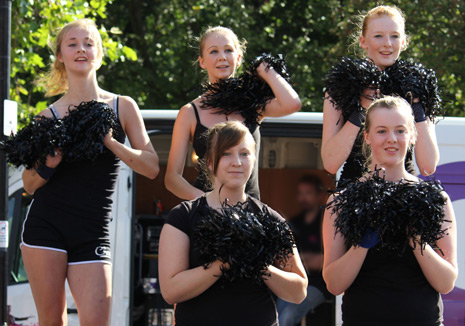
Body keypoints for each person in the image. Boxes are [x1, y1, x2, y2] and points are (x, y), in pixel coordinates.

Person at [20, 19, 159, 326]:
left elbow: (150, 167)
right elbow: (29, 183)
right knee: (52, 321)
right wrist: (49, 164)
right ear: (60, 55)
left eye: (88, 43)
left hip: (93, 230)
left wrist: (111, 142)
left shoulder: (123, 106)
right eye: (72, 44)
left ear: (99, 52)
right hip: (46, 227)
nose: (81, 49)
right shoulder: (47, 116)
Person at [323, 96, 457, 325]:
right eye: (382, 131)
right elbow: (334, 285)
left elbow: (446, 283)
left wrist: (416, 240)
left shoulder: (436, 199)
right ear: (367, 136)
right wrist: (362, 244)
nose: (392, 139)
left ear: (412, 135)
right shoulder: (341, 201)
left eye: (400, 131)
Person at [159, 121, 307, 326]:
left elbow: (299, 291)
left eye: (244, 153)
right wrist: (224, 262)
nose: (237, 162)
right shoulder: (183, 216)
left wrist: (259, 264)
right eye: (227, 153)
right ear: (210, 162)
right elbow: (170, 291)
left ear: (254, 160)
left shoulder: (271, 220)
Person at [165, 26, 301, 200]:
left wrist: (264, 68)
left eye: (228, 50)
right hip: (207, 213)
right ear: (202, 62)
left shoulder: (253, 105)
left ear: (238, 58)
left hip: (248, 213)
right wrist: (210, 203)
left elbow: (293, 104)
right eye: (213, 51)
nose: (222, 56)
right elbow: (172, 179)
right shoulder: (190, 112)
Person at [322, 5, 439, 185]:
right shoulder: (341, 86)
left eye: (395, 36)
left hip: (403, 197)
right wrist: (361, 109)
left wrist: (416, 105)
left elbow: (428, 167)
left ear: (404, 42)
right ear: (363, 41)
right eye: (378, 36)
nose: (387, 43)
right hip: (355, 195)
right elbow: (330, 164)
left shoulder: (418, 84)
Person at [277, 175, 332, 326]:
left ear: (319, 195)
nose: (303, 198)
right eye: (300, 193)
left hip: (319, 285)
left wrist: (301, 259)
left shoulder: (327, 222)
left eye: (308, 193)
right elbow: (283, 260)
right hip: (294, 282)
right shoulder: (293, 223)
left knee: (288, 316)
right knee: (275, 314)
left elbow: (325, 262)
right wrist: (307, 259)